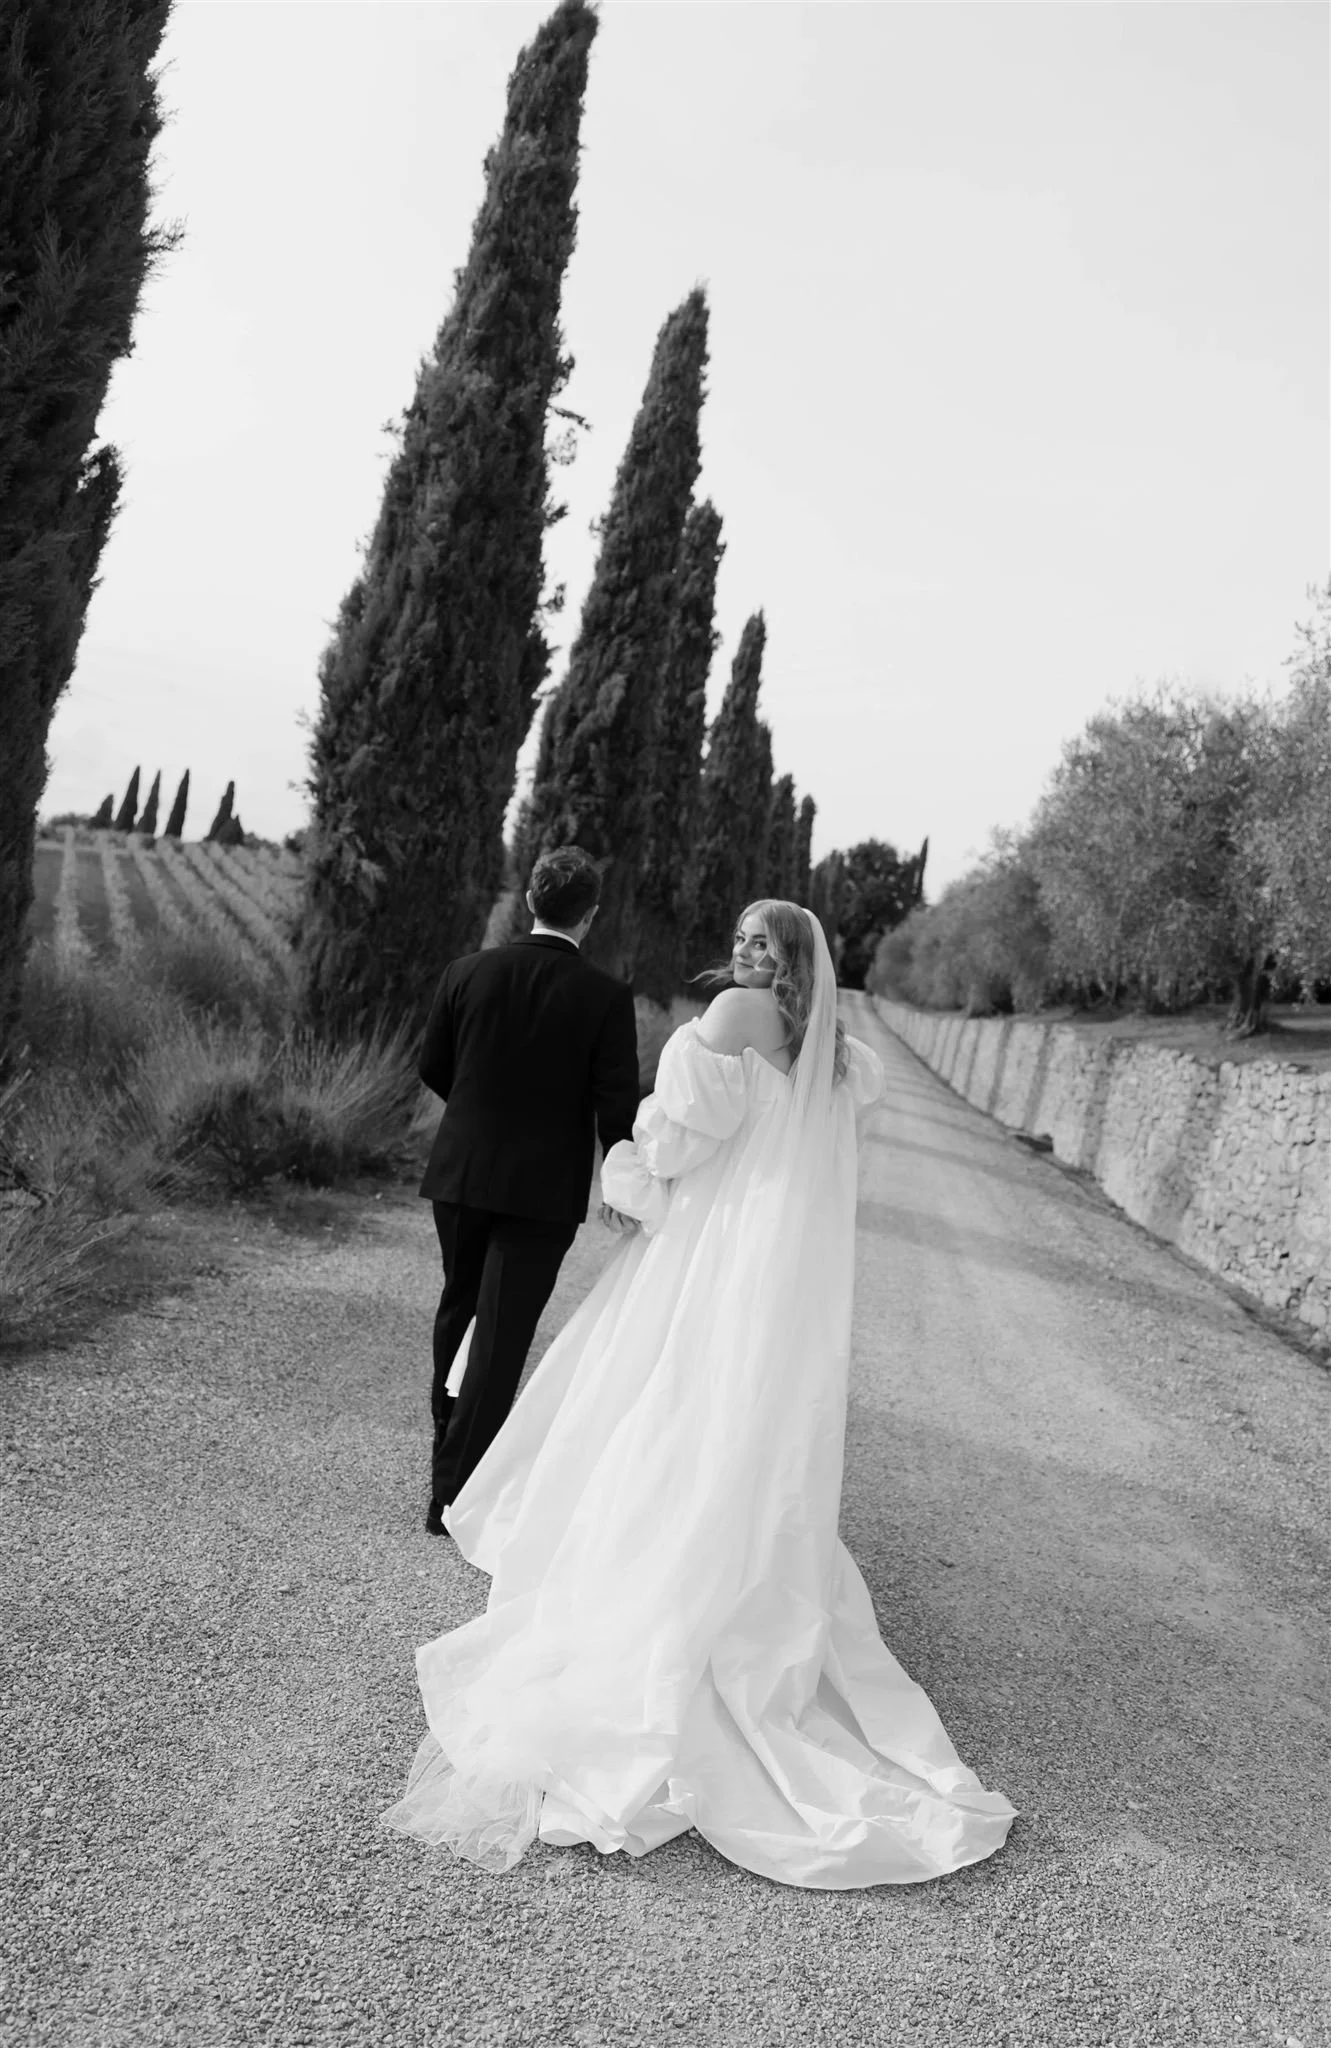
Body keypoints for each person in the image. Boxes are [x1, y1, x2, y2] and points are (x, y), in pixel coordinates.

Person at [384, 899, 1016, 1888]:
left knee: (663, 1407)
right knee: (726, 1424)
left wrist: (629, 1171)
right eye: (740, 939)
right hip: (770, 1272)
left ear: (786, 960)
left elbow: (677, 1145)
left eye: (760, 943)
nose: (742, 952)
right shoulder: (835, 1050)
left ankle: (656, 1582)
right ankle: (722, 1570)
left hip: (709, 1251)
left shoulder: (729, 1019)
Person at [416, 845, 640, 1533]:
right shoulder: (605, 998)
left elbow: (434, 1067)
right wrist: (622, 1179)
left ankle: (445, 1460)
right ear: (591, 915)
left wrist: (480, 1116)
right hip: (542, 1188)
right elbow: (615, 1107)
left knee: (458, 1312)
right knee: (501, 1335)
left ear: (529, 902)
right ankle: (452, 1495)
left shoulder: (467, 972)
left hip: (461, 1172)